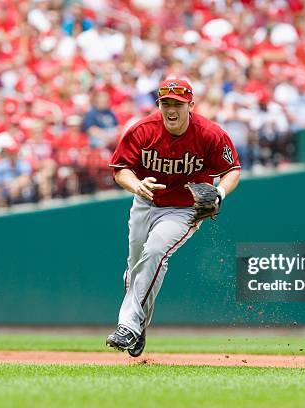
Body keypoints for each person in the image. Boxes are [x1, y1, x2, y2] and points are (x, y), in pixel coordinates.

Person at [106, 78, 241, 357]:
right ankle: (138, 327)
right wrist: (137, 186)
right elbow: (121, 169)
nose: (171, 109)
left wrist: (220, 194)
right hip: (146, 201)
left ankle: (127, 325)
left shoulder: (209, 133)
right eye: (166, 103)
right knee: (135, 268)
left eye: (178, 104)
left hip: (184, 208)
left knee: (155, 251)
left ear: (190, 105)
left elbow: (233, 169)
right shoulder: (144, 130)